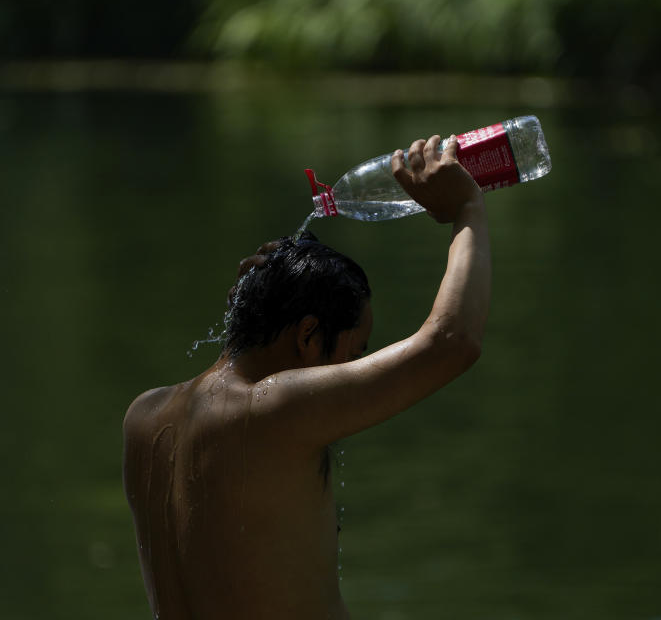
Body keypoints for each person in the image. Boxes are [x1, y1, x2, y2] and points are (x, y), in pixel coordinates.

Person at [123, 134, 491, 619]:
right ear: (309, 335)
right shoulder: (272, 408)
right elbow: (450, 342)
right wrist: (468, 209)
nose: (352, 369)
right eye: (354, 351)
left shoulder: (144, 417)